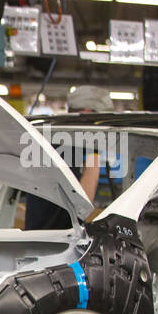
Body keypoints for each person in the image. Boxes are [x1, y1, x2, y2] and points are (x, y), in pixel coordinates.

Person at [24, 85, 110, 230]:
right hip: (63, 241)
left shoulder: (48, 140)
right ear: (88, 113)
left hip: (35, 238)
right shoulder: (83, 144)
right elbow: (84, 205)